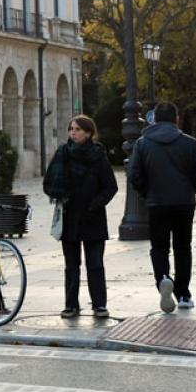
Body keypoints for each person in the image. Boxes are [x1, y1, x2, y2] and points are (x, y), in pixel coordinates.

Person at [127, 102, 196, 313]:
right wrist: (191, 189)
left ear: (155, 119)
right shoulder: (189, 143)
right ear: (176, 118)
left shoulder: (143, 143)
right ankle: (183, 293)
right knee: (183, 247)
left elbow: (134, 175)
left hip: (157, 202)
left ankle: (163, 278)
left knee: (159, 246)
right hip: (184, 202)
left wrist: (148, 192)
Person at [43, 116, 118, 319]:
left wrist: (94, 204)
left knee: (95, 264)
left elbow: (111, 186)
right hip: (69, 217)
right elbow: (48, 183)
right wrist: (60, 195)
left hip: (93, 217)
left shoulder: (98, 155)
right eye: (71, 129)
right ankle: (71, 305)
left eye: (77, 129)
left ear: (88, 133)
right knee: (71, 265)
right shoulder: (62, 154)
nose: (73, 133)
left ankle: (99, 305)